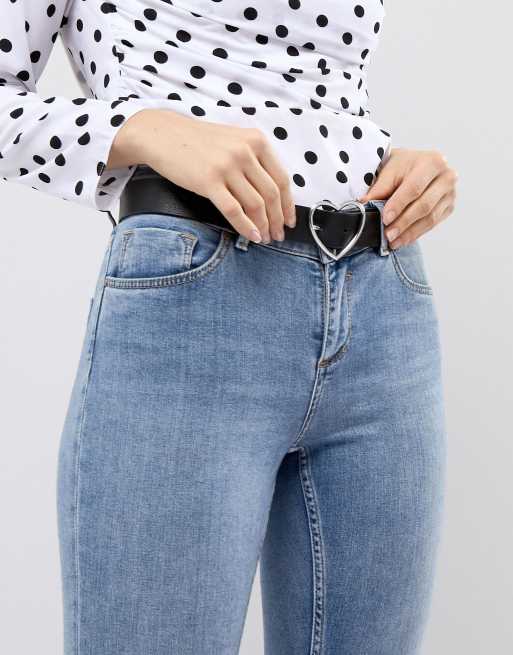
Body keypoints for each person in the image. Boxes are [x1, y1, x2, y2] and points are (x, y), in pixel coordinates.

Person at [0, 2, 458, 654]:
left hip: (385, 297)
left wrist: (394, 162)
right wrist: (141, 126)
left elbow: (318, 86)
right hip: (195, 301)